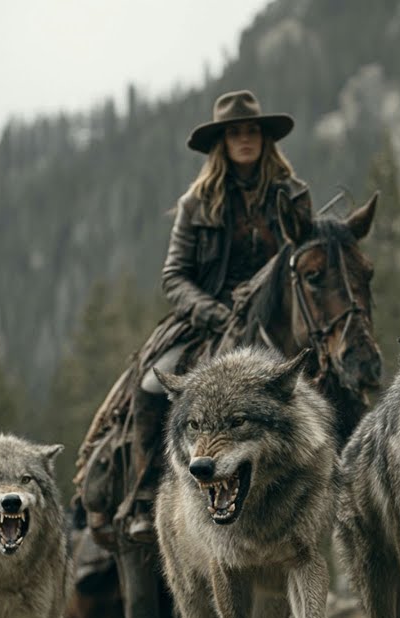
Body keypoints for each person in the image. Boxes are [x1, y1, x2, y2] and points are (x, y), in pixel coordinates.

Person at [121, 89, 313, 543]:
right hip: (208, 320)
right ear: (222, 143)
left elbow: (309, 256)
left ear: (265, 139)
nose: (245, 139)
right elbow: (174, 276)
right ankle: (147, 498)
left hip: (284, 315)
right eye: (235, 133)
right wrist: (211, 310)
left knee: (336, 375)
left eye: (252, 131)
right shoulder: (196, 203)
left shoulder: (292, 194)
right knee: (151, 388)